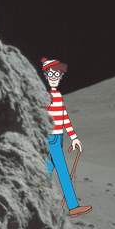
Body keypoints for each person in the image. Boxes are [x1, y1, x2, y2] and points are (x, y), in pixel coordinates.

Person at [41, 58, 91, 217]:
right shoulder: (47, 97)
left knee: (47, 170)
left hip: (58, 137)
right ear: (46, 76)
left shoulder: (58, 96)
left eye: (57, 74)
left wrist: (74, 138)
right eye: (51, 74)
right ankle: (72, 206)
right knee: (59, 171)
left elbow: (64, 118)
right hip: (50, 138)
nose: (54, 77)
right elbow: (42, 116)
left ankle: (41, 200)